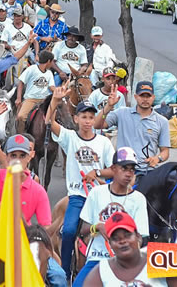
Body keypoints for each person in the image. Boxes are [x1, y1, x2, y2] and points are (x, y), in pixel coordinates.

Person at [46, 87, 114, 280]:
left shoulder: (104, 142)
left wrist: (97, 172)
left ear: (95, 120)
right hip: (78, 196)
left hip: (100, 195)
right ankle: (65, 273)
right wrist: (55, 101)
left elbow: (114, 169)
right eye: (83, 117)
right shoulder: (70, 138)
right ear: (76, 119)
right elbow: (49, 123)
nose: (87, 121)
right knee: (68, 231)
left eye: (91, 117)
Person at [76, 147, 149, 287]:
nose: (129, 174)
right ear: (113, 169)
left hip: (125, 263)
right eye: (124, 168)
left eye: (132, 170)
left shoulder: (139, 199)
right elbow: (83, 229)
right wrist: (97, 227)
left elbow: (142, 237)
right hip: (97, 259)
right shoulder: (97, 193)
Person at [0, 111, 51, 226]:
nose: (18, 160)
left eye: (22, 155)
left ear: (30, 156)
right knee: (21, 115)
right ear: (6, 157)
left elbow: (46, 226)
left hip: (22, 240)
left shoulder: (38, 189)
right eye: (13, 155)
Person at [94, 80, 171, 176]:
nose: (145, 99)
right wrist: (108, 106)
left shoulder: (162, 121)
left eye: (148, 96)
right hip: (122, 169)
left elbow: (165, 151)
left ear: (153, 97)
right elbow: (97, 125)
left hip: (146, 171)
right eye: (142, 96)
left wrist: (157, 158)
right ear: (135, 97)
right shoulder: (122, 113)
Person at [82, 211, 166, 287]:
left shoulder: (161, 257)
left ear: (138, 236)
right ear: (110, 243)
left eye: (127, 235)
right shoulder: (101, 272)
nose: (122, 241)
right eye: (116, 238)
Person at [16, 50, 55, 133]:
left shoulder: (49, 73)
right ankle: (20, 135)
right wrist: (18, 98)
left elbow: (51, 87)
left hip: (44, 100)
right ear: (48, 61)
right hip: (31, 99)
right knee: (21, 117)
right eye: (51, 62)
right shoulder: (32, 69)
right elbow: (21, 82)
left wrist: (60, 90)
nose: (52, 64)